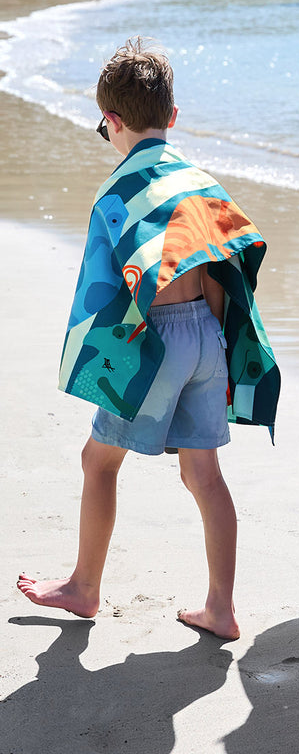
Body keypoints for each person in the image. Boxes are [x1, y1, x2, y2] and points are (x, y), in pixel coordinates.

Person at [17, 38, 280, 641]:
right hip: (205, 334)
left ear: (110, 121)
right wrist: (210, 342)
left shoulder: (116, 195)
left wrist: (104, 366)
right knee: (204, 475)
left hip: (154, 338)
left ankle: (84, 586)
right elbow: (225, 269)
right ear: (174, 117)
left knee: (98, 459)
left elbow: (108, 295)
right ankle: (221, 607)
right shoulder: (201, 183)